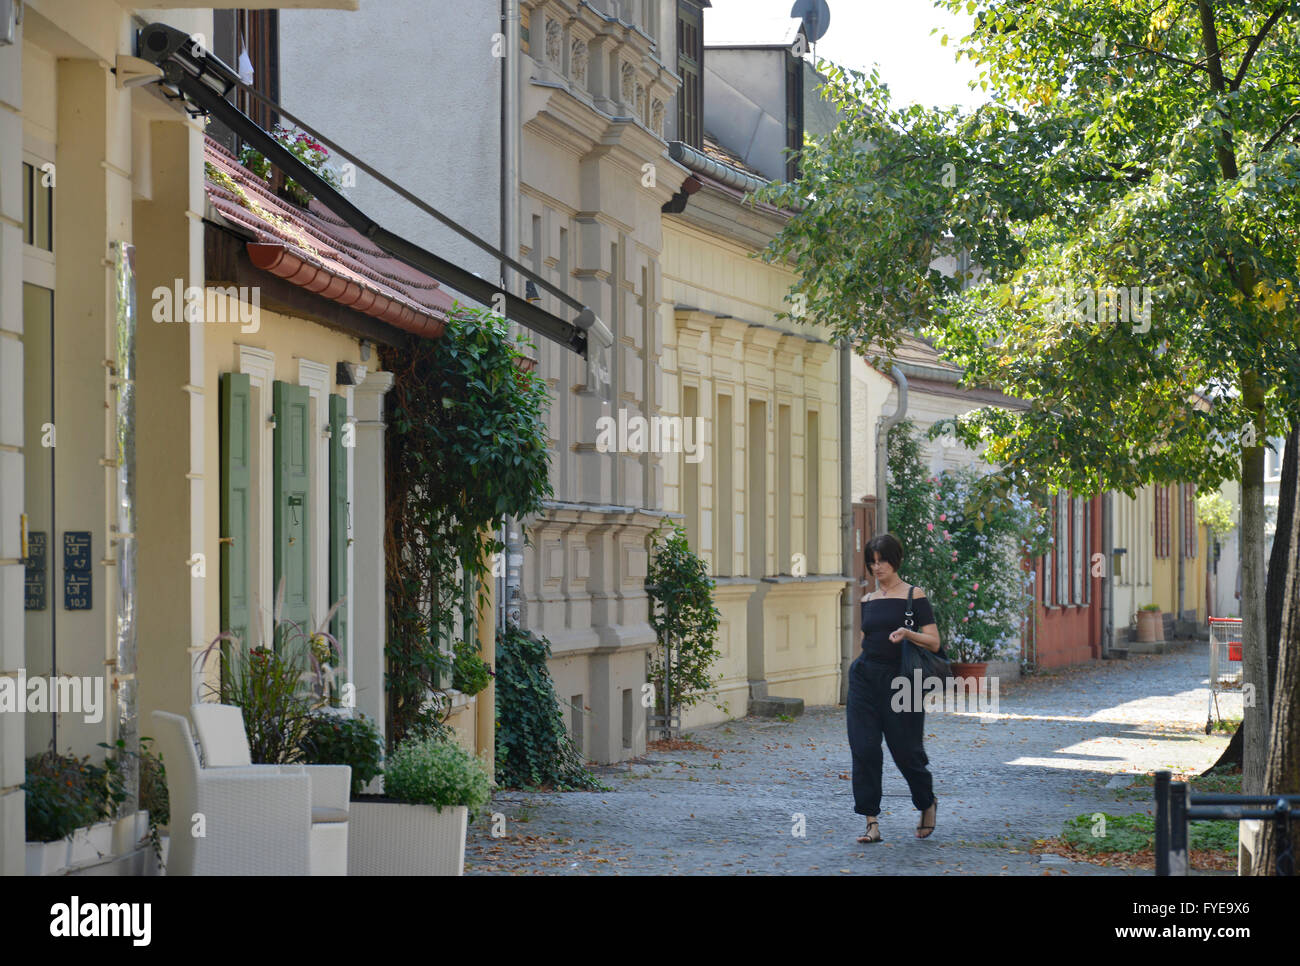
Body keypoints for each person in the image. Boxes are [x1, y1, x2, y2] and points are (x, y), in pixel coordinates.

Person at [847, 532, 941, 843]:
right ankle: (871, 822)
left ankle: (926, 803)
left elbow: (934, 640)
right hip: (865, 677)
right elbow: (865, 638)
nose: (877, 567)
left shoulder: (915, 595)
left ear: (895, 560)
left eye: (882, 560)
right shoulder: (868, 600)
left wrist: (907, 633)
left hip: (903, 682)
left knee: (906, 751)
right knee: (864, 749)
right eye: (872, 562)